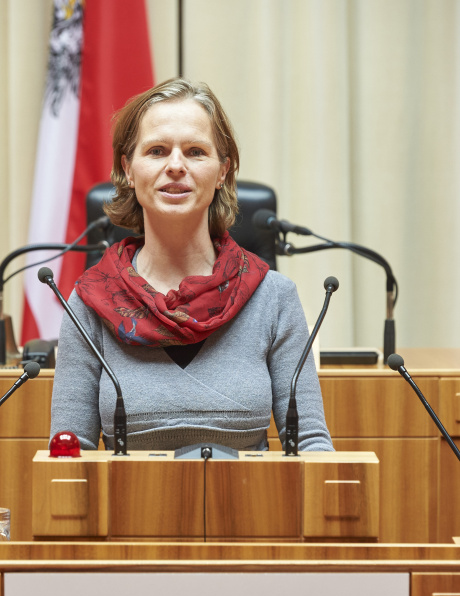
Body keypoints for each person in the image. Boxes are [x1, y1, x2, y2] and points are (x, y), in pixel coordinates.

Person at [50, 78, 333, 453]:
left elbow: (312, 444)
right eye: (157, 150)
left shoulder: (275, 298)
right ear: (129, 170)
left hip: (255, 507)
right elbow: (71, 453)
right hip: (124, 509)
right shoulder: (89, 303)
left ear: (222, 172)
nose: (176, 166)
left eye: (196, 151)